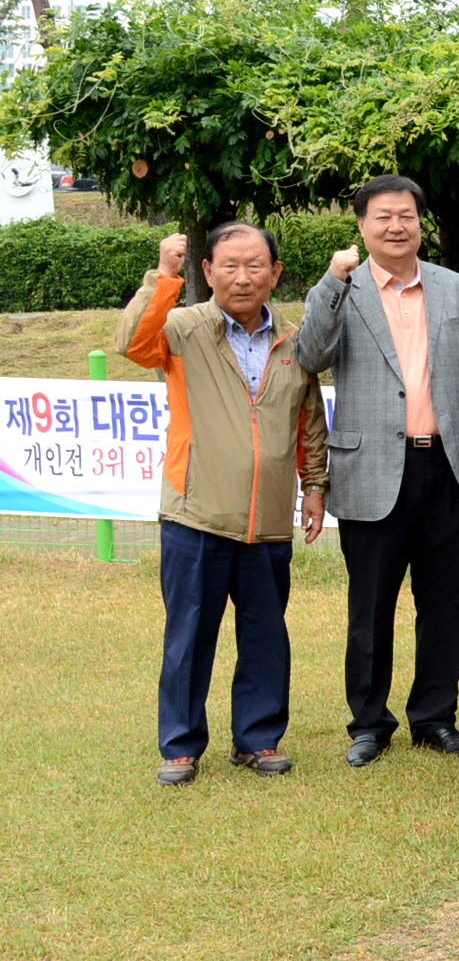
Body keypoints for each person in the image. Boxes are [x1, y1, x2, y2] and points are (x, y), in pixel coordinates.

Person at [293, 175, 459, 768]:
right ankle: (369, 723)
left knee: (448, 603)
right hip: (371, 471)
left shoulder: (453, 286)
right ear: (361, 225)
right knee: (371, 606)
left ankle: (434, 718)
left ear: (420, 222)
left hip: (448, 464)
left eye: (406, 215)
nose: (396, 226)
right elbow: (310, 355)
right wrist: (332, 282)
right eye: (383, 216)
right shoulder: (342, 288)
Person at [118, 227, 328, 786]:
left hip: (269, 521)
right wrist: (162, 277)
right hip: (196, 514)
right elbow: (132, 344)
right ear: (207, 272)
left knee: (265, 635)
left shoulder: (295, 342)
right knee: (189, 634)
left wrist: (315, 486)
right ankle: (181, 746)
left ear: (275, 273)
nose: (243, 277)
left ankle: (258, 741)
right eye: (230, 266)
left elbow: (308, 420)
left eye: (255, 266)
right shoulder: (184, 329)